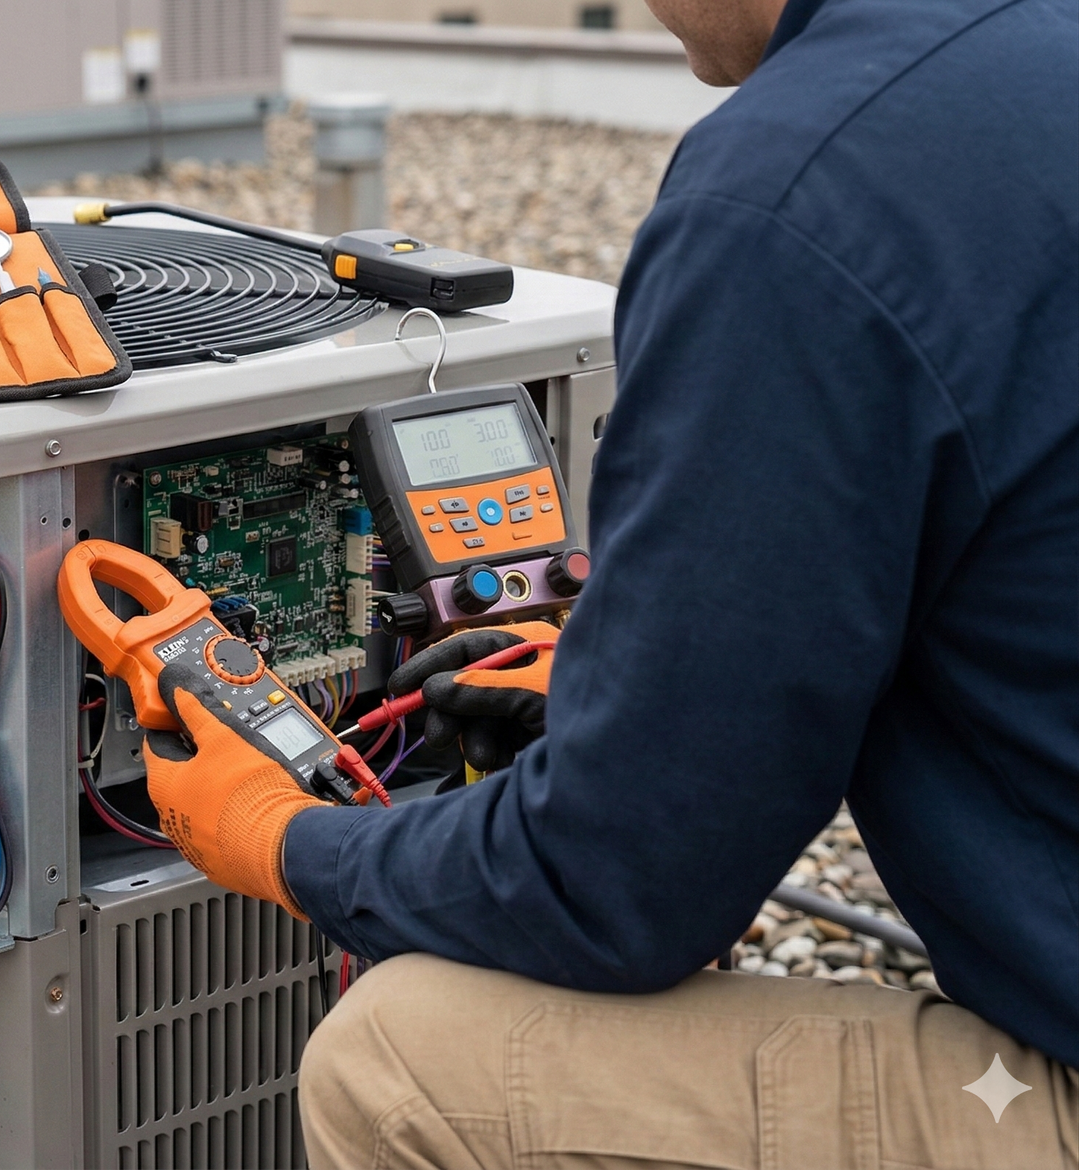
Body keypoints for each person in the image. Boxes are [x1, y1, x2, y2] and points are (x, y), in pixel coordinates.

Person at [139, 0, 1079, 1163]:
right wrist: (650, 675)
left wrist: (284, 839)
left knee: (397, 1062)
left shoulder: (794, 194)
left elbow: (624, 887)